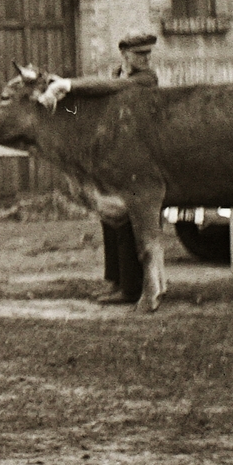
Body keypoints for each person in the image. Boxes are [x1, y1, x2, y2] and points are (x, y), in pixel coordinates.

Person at [58, 31, 159, 305]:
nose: (146, 59)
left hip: (140, 159)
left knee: (126, 220)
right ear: (125, 55)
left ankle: (130, 289)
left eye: (148, 54)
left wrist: (69, 85)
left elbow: (109, 89)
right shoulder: (117, 75)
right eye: (140, 54)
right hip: (116, 158)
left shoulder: (145, 80)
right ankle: (115, 282)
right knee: (110, 218)